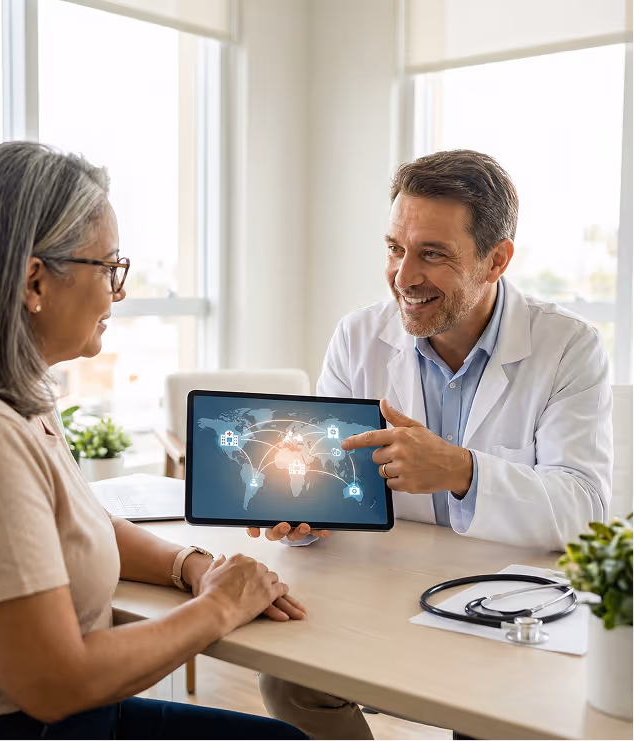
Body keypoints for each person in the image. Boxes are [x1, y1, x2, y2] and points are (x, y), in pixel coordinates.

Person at [0, 142, 307, 740]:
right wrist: (220, 606)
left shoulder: (6, 394)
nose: (117, 292)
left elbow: (73, 522)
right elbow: (55, 683)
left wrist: (189, 566)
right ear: (35, 280)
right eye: (108, 268)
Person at [248, 149, 613, 739]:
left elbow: (585, 513)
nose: (403, 276)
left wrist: (460, 470)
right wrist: (305, 515)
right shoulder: (359, 336)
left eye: (432, 254)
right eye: (395, 247)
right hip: (383, 588)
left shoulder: (568, 348)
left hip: (505, 609)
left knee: (487, 719)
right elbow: (328, 477)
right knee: (290, 681)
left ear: (496, 260)